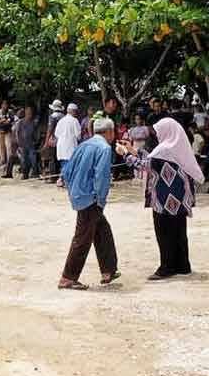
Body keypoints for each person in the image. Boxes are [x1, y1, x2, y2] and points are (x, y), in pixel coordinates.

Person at [119, 118, 204, 280]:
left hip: (165, 199)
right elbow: (152, 159)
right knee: (179, 231)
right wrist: (133, 150)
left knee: (164, 232)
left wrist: (125, 155)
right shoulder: (177, 147)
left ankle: (167, 267)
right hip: (179, 199)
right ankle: (182, 265)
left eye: (158, 132)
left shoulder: (164, 150)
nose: (157, 135)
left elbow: (144, 165)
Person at [58, 117, 120, 290]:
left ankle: (109, 270)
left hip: (79, 194)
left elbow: (67, 170)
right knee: (83, 237)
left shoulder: (83, 145)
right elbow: (101, 177)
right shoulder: (104, 148)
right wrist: (100, 199)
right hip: (91, 198)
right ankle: (68, 277)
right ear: (109, 132)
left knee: (102, 230)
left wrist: (72, 191)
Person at [55, 103, 82, 187]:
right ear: (73, 111)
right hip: (70, 146)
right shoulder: (74, 121)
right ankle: (66, 181)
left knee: (64, 164)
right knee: (69, 164)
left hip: (61, 146)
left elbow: (56, 134)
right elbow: (78, 135)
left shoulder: (61, 121)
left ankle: (61, 180)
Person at [42, 100, 65, 182]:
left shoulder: (52, 116)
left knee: (52, 158)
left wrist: (46, 141)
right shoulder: (64, 116)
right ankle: (59, 176)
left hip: (54, 139)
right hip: (62, 139)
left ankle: (53, 177)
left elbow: (50, 129)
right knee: (59, 158)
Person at [15, 105, 40, 180]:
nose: (30, 114)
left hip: (31, 144)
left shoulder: (34, 122)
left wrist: (36, 141)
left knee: (33, 159)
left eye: (31, 113)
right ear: (25, 113)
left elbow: (37, 133)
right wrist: (18, 142)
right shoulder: (21, 122)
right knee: (24, 160)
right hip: (23, 144)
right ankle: (24, 174)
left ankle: (35, 173)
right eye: (28, 112)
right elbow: (17, 133)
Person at [0, 101, 14, 170]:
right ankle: (2, 160)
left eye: (6, 104)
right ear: (1, 105)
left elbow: (12, 119)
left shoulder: (10, 112)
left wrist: (7, 121)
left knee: (9, 146)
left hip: (8, 131)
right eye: (4, 104)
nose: (5, 106)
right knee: (1, 147)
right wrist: (1, 121)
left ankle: (9, 161)